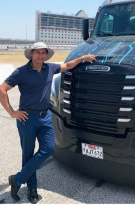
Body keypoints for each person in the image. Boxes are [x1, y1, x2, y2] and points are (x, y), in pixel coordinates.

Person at [0, 42, 96, 203]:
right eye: (38, 52)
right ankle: (32, 188)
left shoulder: (50, 68)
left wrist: (82, 58)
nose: (41, 55)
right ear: (31, 54)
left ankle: (17, 179)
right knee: (28, 154)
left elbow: (67, 65)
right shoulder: (21, 72)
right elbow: (2, 89)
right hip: (27, 119)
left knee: (49, 148)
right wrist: (12, 112)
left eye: (43, 52)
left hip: (45, 117)